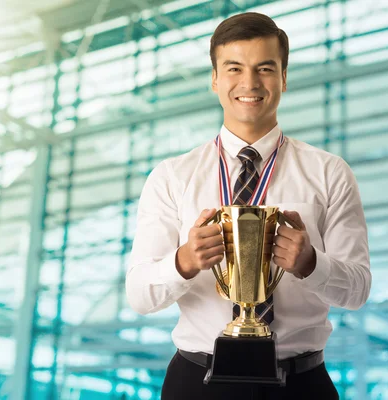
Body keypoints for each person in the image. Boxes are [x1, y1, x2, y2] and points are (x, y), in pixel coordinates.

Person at [126, 11, 371, 400]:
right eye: (234, 68)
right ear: (215, 79)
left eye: (266, 68)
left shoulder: (330, 173)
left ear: (284, 78)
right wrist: (184, 261)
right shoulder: (172, 176)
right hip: (197, 382)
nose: (250, 83)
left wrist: (312, 264)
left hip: (300, 383)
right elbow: (139, 296)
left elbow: (357, 290)